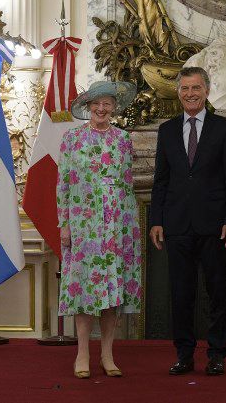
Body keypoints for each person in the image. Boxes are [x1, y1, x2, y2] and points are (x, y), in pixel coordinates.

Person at [150, 66, 226, 376]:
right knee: (181, 293)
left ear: (206, 91)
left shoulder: (224, 128)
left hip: (215, 224)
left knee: (217, 291)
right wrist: (156, 220)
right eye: (185, 89)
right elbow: (160, 180)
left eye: (196, 88)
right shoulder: (166, 130)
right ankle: (184, 354)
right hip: (176, 225)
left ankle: (217, 353)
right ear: (178, 93)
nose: (190, 93)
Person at [57, 80, 142, 378]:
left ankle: (107, 354)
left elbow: (127, 185)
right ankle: (82, 353)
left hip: (118, 227)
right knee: (84, 290)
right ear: (88, 107)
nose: (102, 108)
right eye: (97, 103)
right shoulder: (72, 139)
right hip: (84, 227)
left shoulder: (122, 139)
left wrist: (131, 228)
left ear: (114, 108)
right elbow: (63, 186)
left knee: (112, 291)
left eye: (107, 104)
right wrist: (64, 225)